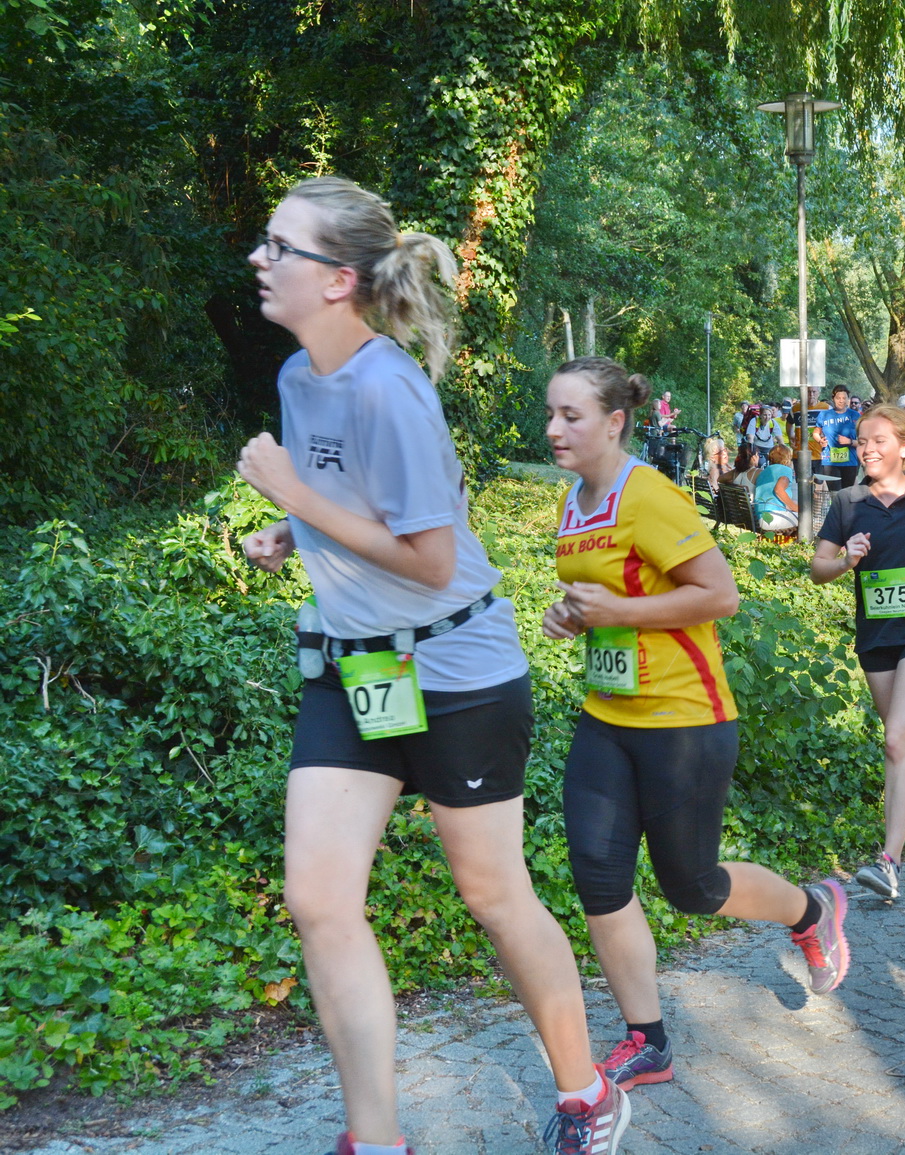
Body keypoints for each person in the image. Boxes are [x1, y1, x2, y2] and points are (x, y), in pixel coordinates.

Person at [236, 176, 611, 1155]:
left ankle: (586, 1091)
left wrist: (294, 498)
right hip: (357, 668)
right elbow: (357, 499)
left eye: (280, 247)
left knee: (492, 894)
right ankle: (377, 1141)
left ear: (338, 280)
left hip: (456, 672)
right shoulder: (299, 377)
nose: (259, 260)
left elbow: (433, 558)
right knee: (319, 899)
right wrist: (291, 529)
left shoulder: (388, 387)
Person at [542, 356, 851, 1104]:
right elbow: (604, 598)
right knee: (598, 878)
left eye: (571, 416)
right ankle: (647, 1040)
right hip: (607, 717)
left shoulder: (647, 494)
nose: (554, 428)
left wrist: (615, 612)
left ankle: (812, 910)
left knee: (692, 886)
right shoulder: (575, 501)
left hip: (684, 721)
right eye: (551, 413)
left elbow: (720, 594)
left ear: (615, 423)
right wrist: (573, 616)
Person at [811, 404, 905, 899]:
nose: (867, 449)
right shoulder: (848, 501)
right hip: (877, 633)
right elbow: (817, 568)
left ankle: (889, 864)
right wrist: (845, 561)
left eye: (878, 440)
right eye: (861, 441)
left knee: (897, 736)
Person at [811, 385, 860, 489]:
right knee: (834, 494)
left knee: (847, 493)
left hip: (850, 462)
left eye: (844, 398)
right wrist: (820, 440)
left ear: (848, 399)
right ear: (833, 398)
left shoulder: (855, 416)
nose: (841, 401)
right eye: (838, 398)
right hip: (830, 461)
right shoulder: (824, 415)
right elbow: (815, 433)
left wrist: (850, 441)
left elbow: (864, 441)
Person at [753, 444, 797, 532]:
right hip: (773, 517)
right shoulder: (785, 470)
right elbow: (778, 490)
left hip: (761, 517)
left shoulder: (763, 472)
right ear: (787, 458)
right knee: (807, 517)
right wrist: (795, 507)